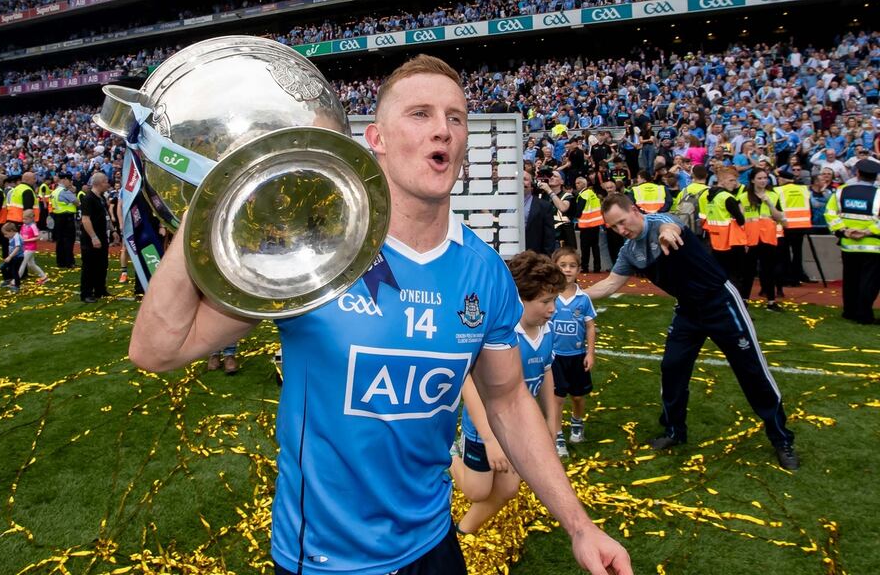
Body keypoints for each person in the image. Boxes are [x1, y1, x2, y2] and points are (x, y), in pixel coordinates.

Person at [128, 54, 631, 575]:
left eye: (455, 118)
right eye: (420, 114)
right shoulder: (318, 251)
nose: (443, 130)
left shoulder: (485, 273)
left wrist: (580, 525)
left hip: (433, 546)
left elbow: (506, 401)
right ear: (376, 139)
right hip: (323, 559)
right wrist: (211, 198)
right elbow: (156, 349)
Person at [585, 194, 799, 470]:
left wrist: (668, 235)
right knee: (672, 367)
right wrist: (572, 298)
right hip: (688, 311)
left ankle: (781, 439)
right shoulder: (629, 251)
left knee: (752, 371)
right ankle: (674, 431)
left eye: (622, 222)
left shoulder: (659, 222)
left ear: (635, 211)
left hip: (720, 302)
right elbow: (611, 284)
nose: (620, 230)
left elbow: (669, 227)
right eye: (613, 227)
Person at [450, 251, 563, 534]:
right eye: (546, 302)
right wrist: (489, 439)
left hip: (516, 426)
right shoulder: (502, 337)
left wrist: (552, 420)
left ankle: (464, 530)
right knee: (477, 491)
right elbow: (469, 384)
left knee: (509, 488)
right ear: (519, 300)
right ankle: (447, 452)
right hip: (483, 429)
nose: (552, 309)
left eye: (555, 301)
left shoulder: (546, 330)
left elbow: (548, 372)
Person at [550, 247, 598, 455]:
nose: (567, 270)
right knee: (557, 398)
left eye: (572, 266)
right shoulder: (549, 295)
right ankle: (557, 435)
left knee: (578, 397)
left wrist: (590, 353)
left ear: (579, 269)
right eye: (563, 265)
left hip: (577, 357)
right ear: (555, 268)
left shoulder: (583, 299)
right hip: (554, 358)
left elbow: (590, 326)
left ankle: (577, 422)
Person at [825, 159, 880, 324]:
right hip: (873, 245)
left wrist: (844, 230)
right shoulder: (879, 194)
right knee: (869, 281)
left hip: (848, 244)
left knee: (850, 279)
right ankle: (864, 314)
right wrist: (867, 231)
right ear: (875, 177)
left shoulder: (841, 191)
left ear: (857, 173)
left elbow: (830, 213)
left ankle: (849, 311)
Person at [737, 168, 786, 311]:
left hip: (768, 238)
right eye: (759, 178)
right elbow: (740, 219)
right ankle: (744, 300)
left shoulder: (773, 195)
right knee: (748, 272)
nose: (763, 181)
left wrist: (770, 203)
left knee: (768, 270)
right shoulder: (744, 196)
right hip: (750, 239)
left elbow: (779, 217)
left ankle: (771, 302)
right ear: (752, 180)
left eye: (765, 178)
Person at [80, 172, 110, 303]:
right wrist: (93, 237)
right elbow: (85, 219)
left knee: (102, 264)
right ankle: (86, 292)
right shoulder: (88, 198)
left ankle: (100, 289)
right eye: (105, 182)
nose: (107, 184)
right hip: (91, 238)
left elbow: (105, 216)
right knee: (89, 266)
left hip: (103, 235)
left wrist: (113, 231)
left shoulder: (101, 198)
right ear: (99, 183)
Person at [523, 169, 557, 256]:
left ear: (532, 185)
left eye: (525, 179)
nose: (521, 182)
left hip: (534, 257)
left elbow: (549, 237)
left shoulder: (544, 206)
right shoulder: (503, 205)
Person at [51, 173, 79, 268]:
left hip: (58, 217)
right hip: (67, 218)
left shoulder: (55, 191)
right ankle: (69, 262)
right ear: (65, 179)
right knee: (69, 241)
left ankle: (61, 261)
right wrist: (73, 192)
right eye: (70, 181)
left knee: (60, 241)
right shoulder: (65, 191)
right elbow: (77, 202)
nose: (71, 183)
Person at [576, 177, 603, 273]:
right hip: (595, 223)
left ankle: (585, 267)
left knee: (585, 247)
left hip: (586, 224)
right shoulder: (592, 194)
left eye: (578, 183)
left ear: (584, 184)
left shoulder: (583, 195)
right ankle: (597, 267)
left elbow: (578, 212)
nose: (576, 184)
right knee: (595, 246)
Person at [18, 210, 48, 285]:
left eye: (26, 219)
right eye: (23, 219)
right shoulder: (24, 225)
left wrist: (26, 240)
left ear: (31, 218)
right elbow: (21, 234)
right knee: (31, 264)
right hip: (24, 247)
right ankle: (44, 277)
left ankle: (16, 280)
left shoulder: (33, 226)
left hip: (30, 248)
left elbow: (38, 237)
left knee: (23, 263)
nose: (24, 221)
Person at [0, 222, 24, 293]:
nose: (5, 236)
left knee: (14, 271)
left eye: (6, 234)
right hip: (13, 257)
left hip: (18, 257)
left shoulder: (17, 237)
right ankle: (7, 280)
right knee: (2, 267)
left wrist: (10, 256)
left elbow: (17, 247)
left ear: (11, 231)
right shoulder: (12, 236)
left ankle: (17, 285)